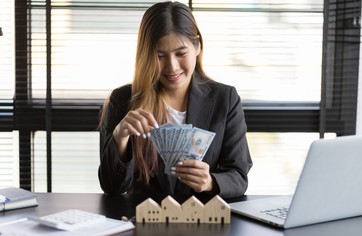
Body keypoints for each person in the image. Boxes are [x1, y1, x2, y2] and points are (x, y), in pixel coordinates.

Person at [98, 1, 252, 202]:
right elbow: (111, 188)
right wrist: (120, 136)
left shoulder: (225, 99)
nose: (172, 67)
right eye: (159, 56)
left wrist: (210, 182)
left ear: (196, 46)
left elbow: (239, 176)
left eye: (180, 53)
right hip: (143, 224)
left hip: (203, 225)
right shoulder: (122, 101)